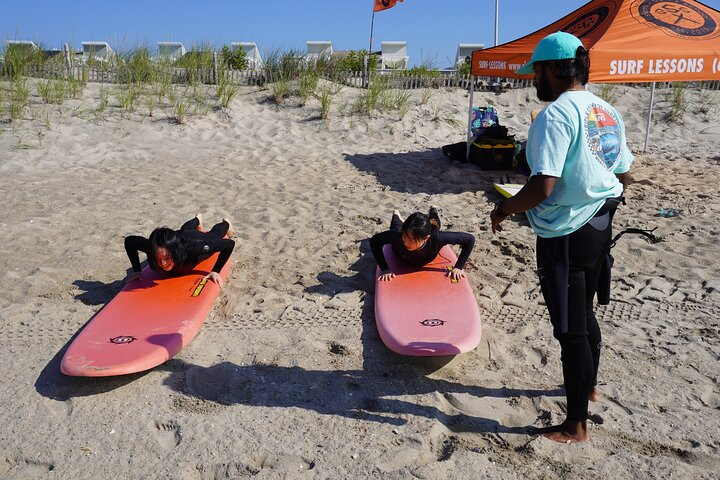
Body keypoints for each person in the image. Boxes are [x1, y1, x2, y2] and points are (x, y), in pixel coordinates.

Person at [490, 32, 634, 444]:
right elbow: (623, 173)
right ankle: (588, 389)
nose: (533, 79)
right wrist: (596, 194)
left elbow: (543, 187)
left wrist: (503, 209)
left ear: (555, 69)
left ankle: (576, 424)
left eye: (536, 70)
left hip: (565, 233)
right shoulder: (606, 111)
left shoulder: (554, 116)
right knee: (585, 313)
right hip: (599, 226)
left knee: (569, 329)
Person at [124, 214, 235, 288]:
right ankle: (197, 219)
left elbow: (229, 244)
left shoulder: (193, 249)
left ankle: (226, 223)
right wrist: (137, 270)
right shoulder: (153, 248)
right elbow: (129, 241)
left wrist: (215, 271)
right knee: (184, 230)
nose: (163, 264)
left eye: (167, 258)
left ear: (175, 252)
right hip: (176, 237)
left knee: (214, 235)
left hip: (194, 239)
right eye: (159, 259)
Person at [370, 206, 475, 282]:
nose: (405, 242)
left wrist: (458, 267)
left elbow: (470, 239)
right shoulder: (397, 235)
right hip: (399, 243)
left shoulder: (437, 238)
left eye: (410, 240)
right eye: (404, 237)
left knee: (436, 224)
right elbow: (374, 241)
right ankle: (396, 214)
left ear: (426, 238)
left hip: (426, 232)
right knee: (396, 226)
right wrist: (384, 269)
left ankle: (433, 209)